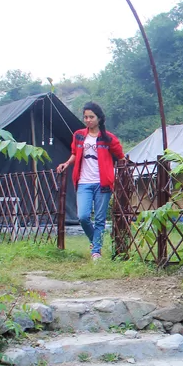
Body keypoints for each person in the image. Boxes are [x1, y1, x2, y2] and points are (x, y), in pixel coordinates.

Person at [56, 102, 124, 259]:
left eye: (91, 117)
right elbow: (74, 153)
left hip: (103, 182)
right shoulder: (79, 135)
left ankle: (96, 252)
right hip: (84, 182)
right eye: (85, 117)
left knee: (100, 219)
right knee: (83, 216)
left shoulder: (108, 138)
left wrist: (123, 172)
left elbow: (120, 156)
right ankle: (96, 241)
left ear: (99, 118)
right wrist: (66, 163)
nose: (88, 120)